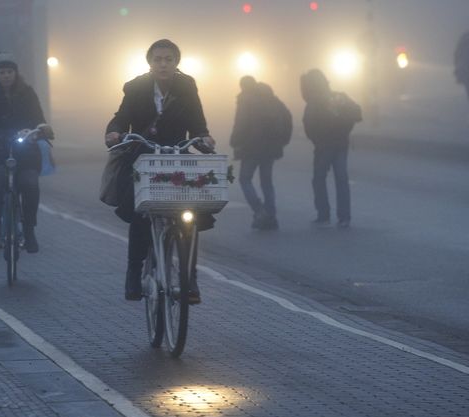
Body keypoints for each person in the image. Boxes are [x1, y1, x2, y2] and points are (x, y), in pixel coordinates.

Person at [105, 39, 216, 303]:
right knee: (141, 214)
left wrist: (204, 138)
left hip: (177, 157)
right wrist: (115, 131)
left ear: (177, 62)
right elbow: (122, 116)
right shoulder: (136, 87)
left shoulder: (187, 86)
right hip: (143, 156)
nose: (163, 64)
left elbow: (198, 123)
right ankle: (134, 273)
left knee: (189, 217)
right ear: (150, 62)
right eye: (158, 59)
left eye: (169, 59)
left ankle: (190, 278)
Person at [0, 53, 53, 253]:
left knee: (30, 183)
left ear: (16, 73)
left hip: (25, 149)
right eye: (2, 72)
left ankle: (29, 231)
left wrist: (41, 129)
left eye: (10, 72)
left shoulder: (27, 93)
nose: (6, 76)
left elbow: (38, 117)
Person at [300, 69, 362, 229]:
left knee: (319, 179)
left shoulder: (314, 102)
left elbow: (308, 125)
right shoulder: (338, 97)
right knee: (341, 179)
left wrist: (316, 139)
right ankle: (344, 217)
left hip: (323, 146)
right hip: (341, 143)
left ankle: (323, 214)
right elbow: (357, 112)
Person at [230, 76, 292, 230]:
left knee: (245, 179)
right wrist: (283, 141)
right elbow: (287, 118)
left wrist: (235, 142)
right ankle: (271, 216)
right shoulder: (272, 99)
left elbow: (240, 123)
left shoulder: (246, 99)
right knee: (267, 182)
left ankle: (259, 211)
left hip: (251, 147)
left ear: (243, 86)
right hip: (270, 147)